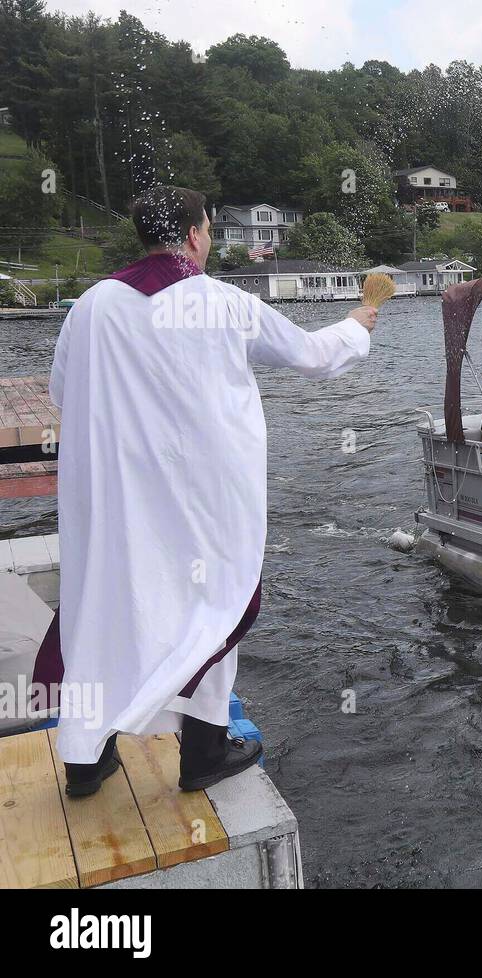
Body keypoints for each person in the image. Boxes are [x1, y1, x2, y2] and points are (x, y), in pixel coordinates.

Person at [32, 185, 378, 796]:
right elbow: (312, 356)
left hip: (116, 499)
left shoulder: (90, 306)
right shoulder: (222, 302)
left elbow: (64, 392)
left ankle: (87, 757)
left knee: (105, 604)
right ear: (195, 233)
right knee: (213, 604)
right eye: (211, 229)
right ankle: (204, 751)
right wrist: (354, 324)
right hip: (200, 500)